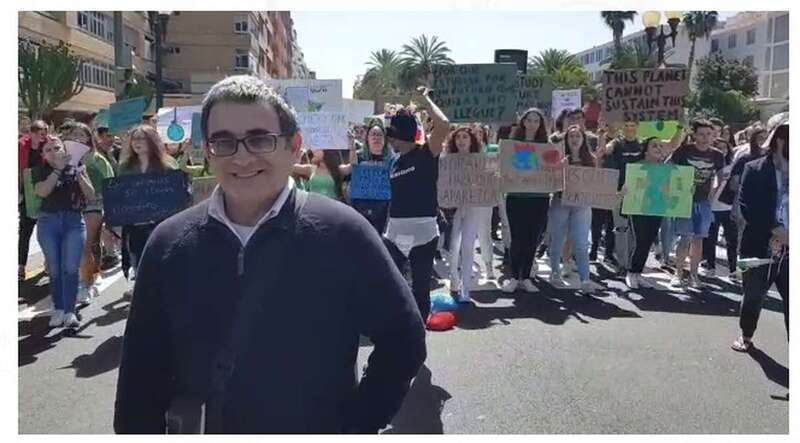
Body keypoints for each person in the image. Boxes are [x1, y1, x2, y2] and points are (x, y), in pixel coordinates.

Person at [114, 75, 426, 433]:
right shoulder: (168, 244)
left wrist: (356, 423)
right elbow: (141, 373)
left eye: (260, 139)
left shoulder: (345, 233)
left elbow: (403, 339)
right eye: (224, 141)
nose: (242, 156)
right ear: (208, 150)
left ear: (294, 146)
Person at [382, 87, 448, 323]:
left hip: (423, 232)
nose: (389, 140)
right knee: (389, 282)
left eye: (392, 136)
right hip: (396, 232)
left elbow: (444, 125)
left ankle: (417, 338)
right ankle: (397, 327)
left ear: (402, 136)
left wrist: (427, 101)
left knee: (420, 287)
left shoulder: (426, 153)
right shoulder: (396, 162)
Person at [731, 121, 789, 353]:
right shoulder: (754, 168)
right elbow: (748, 207)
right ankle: (746, 334)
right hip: (759, 245)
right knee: (754, 295)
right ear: (781, 140)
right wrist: (778, 232)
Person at [33, 134, 96, 328]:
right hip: (48, 222)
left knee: (70, 268)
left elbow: (91, 195)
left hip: (74, 222)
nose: (53, 153)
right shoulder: (40, 171)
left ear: (65, 149)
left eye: (57, 148)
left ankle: (69, 311)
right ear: (43, 154)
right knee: (54, 268)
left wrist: (78, 173)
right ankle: (58, 309)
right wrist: (57, 171)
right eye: (48, 150)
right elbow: (42, 191)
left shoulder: (77, 167)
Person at [60, 122, 115, 306]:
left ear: (88, 138)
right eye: (73, 134)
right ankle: (87, 275)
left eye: (81, 134)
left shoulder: (97, 159)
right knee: (79, 246)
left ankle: (87, 281)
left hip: (93, 206)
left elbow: (110, 183)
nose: (77, 137)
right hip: (72, 207)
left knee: (89, 244)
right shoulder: (64, 157)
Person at [668, 119, 726, 289]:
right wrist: (679, 186)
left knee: (699, 239)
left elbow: (720, 177)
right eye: (701, 134)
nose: (705, 138)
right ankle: (678, 274)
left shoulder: (717, 154)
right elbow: (668, 168)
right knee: (685, 237)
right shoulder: (684, 151)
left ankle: (694, 275)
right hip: (685, 200)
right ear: (694, 134)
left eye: (709, 134)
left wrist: (714, 193)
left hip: (704, 202)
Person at [118, 124, 179, 281]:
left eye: (142, 139)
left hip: (161, 225)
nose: (137, 142)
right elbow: (120, 196)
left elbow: (177, 196)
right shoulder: (125, 168)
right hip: (136, 226)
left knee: (163, 265)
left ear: (152, 141)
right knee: (139, 265)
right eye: (134, 139)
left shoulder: (168, 165)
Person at [547, 125, 604, 290]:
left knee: (581, 242)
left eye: (577, 136)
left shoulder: (590, 159)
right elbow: (551, 182)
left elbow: (596, 181)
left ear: (583, 140)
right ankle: (555, 272)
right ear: (566, 140)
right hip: (561, 202)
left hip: (582, 205)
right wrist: (560, 169)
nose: (574, 139)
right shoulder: (558, 158)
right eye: (571, 136)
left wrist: (598, 160)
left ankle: (585, 279)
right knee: (558, 239)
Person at [502, 108, 551, 294]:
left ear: (540, 124)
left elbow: (552, 169)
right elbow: (506, 167)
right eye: (529, 120)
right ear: (523, 122)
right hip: (516, 197)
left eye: (536, 121)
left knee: (532, 239)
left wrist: (558, 167)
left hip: (539, 198)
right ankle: (515, 277)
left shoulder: (547, 145)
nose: (532, 124)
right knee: (517, 238)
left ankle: (527, 277)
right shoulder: (513, 145)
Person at [621, 137, 680, 289]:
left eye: (661, 146)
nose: (658, 148)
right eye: (654, 145)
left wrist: (686, 190)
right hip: (639, 209)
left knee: (648, 242)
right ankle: (631, 273)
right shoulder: (636, 166)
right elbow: (629, 188)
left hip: (658, 208)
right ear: (646, 150)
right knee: (640, 241)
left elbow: (674, 188)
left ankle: (638, 273)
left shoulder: (667, 169)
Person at [443, 127, 493, 303]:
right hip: (453, 209)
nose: (461, 140)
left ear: (472, 140)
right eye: (458, 137)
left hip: (472, 208)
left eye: (465, 137)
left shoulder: (481, 161)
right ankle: (454, 279)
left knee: (468, 245)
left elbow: (488, 181)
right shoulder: (446, 160)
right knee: (454, 246)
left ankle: (465, 287)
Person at [340, 120, 393, 233]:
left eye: (379, 135)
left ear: (384, 139)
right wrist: (351, 146)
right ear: (367, 138)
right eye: (373, 134)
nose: (376, 138)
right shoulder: (358, 156)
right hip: (360, 205)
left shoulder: (391, 159)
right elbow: (350, 168)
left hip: (383, 207)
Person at [701, 134, 739, 280]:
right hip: (711, 207)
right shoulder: (707, 165)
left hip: (728, 208)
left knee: (732, 241)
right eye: (718, 147)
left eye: (724, 148)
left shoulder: (733, 166)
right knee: (710, 239)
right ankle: (710, 266)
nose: (721, 150)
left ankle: (733, 269)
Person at [18, 120, 48, 281]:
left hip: (44, 193)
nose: (40, 134)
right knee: (25, 231)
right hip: (25, 195)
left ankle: (48, 262)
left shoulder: (48, 146)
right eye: (37, 131)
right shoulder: (20, 146)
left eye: (43, 131)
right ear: (30, 132)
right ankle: (21, 266)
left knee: (45, 231)